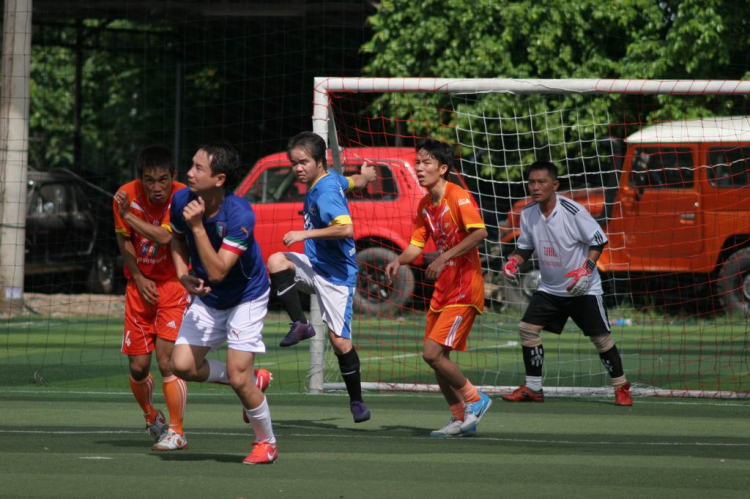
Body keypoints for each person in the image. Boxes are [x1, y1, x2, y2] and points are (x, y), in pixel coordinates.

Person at [169, 141, 278, 464]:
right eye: (191, 165)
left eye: (198, 168)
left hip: (247, 295)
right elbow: (176, 237)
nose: (189, 173)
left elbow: (217, 270)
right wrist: (181, 273)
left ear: (219, 179)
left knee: (239, 378)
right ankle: (252, 379)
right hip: (208, 297)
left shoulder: (240, 214)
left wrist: (198, 226)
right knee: (182, 365)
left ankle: (266, 443)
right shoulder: (181, 200)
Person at [501, 160, 632, 406]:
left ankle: (621, 386)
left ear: (555, 184)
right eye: (531, 182)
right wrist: (514, 262)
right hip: (550, 289)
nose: (536, 187)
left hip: (582, 288)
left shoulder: (574, 211)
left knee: (601, 339)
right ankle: (533, 388)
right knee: (527, 330)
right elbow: (525, 248)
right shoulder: (528, 213)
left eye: (542, 182)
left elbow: (598, 241)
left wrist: (586, 269)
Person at [385, 138, 492, 438]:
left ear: (443, 168)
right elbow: (416, 246)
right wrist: (398, 261)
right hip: (443, 291)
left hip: (464, 288)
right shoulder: (424, 205)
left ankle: (475, 399)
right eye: (418, 162)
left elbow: (480, 231)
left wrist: (444, 257)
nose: (419, 168)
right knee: (435, 359)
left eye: (426, 162)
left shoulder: (457, 196)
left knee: (432, 354)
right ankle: (459, 418)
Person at [266, 132, 376, 424]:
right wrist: (363, 176)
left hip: (337, 276)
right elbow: (351, 182)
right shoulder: (329, 179)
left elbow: (345, 229)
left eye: (303, 162)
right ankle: (300, 324)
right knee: (276, 261)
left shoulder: (326, 192)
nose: (297, 168)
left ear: (319, 161)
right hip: (314, 265)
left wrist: (305, 233)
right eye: (294, 163)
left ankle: (356, 402)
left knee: (340, 342)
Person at [114, 146, 192, 450]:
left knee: (167, 361)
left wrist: (127, 218)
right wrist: (139, 276)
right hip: (139, 288)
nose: (157, 187)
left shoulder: (183, 195)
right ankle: (151, 416)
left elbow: (165, 237)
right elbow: (124, 243)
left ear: (173, 177)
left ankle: (177, 430)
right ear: (140, 179)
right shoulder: (124, 196)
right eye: (150, 181)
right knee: (138, 367)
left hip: (174, 284)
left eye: (163, 180)